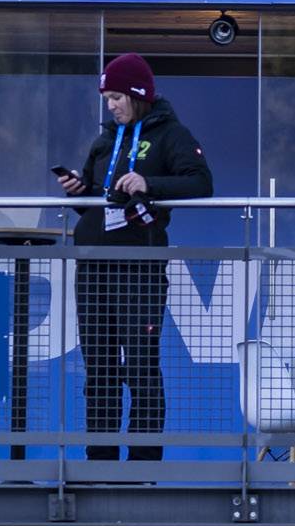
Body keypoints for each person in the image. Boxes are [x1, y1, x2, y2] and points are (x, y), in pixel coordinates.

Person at [54, 53, 211, 461]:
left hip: (138, 267)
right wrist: (77, 190)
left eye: (117, 97)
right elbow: (95, 199)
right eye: (106, 98)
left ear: (138, 95)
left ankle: (141, 465)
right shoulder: (105, 139)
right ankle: (99, 463)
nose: (111, 105)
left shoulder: (169, 134)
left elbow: (201, 183)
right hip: (92, 266)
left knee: (141, 366)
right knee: (99, 369)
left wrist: (149, 183)